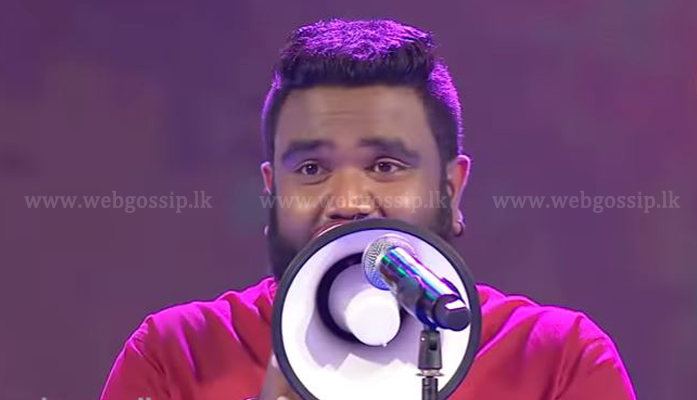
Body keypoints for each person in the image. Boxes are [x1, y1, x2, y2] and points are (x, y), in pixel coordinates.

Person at [100, 19, 636, 400]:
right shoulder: (175, 355)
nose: (349, 203)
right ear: (271, 192)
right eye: (311, 168)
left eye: (385, 165)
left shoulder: (558, 359)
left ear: (452, 189)